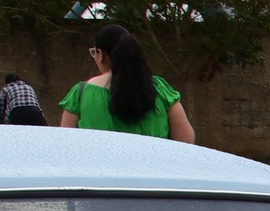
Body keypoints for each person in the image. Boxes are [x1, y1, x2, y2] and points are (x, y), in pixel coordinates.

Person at [59, 27, 194, 140]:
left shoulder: (80, 94)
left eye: (94, 52)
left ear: (101, 54)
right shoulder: (161, 90)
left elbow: (66, 143)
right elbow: (186, 139)